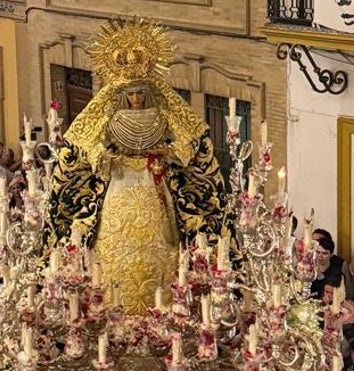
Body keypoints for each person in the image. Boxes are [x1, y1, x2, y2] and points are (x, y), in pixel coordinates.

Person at [46, 19, 228, 314]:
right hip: (118, 185)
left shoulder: (165, 112)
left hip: (155, 184)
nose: (134, 98)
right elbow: (84, 142)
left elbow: (190, 141)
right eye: (129, 93)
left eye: (139, 93)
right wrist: (102, 156)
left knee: (161, 245)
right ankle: (109, 304)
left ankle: (168, 305)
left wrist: (168, 152)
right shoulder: (107, 112)